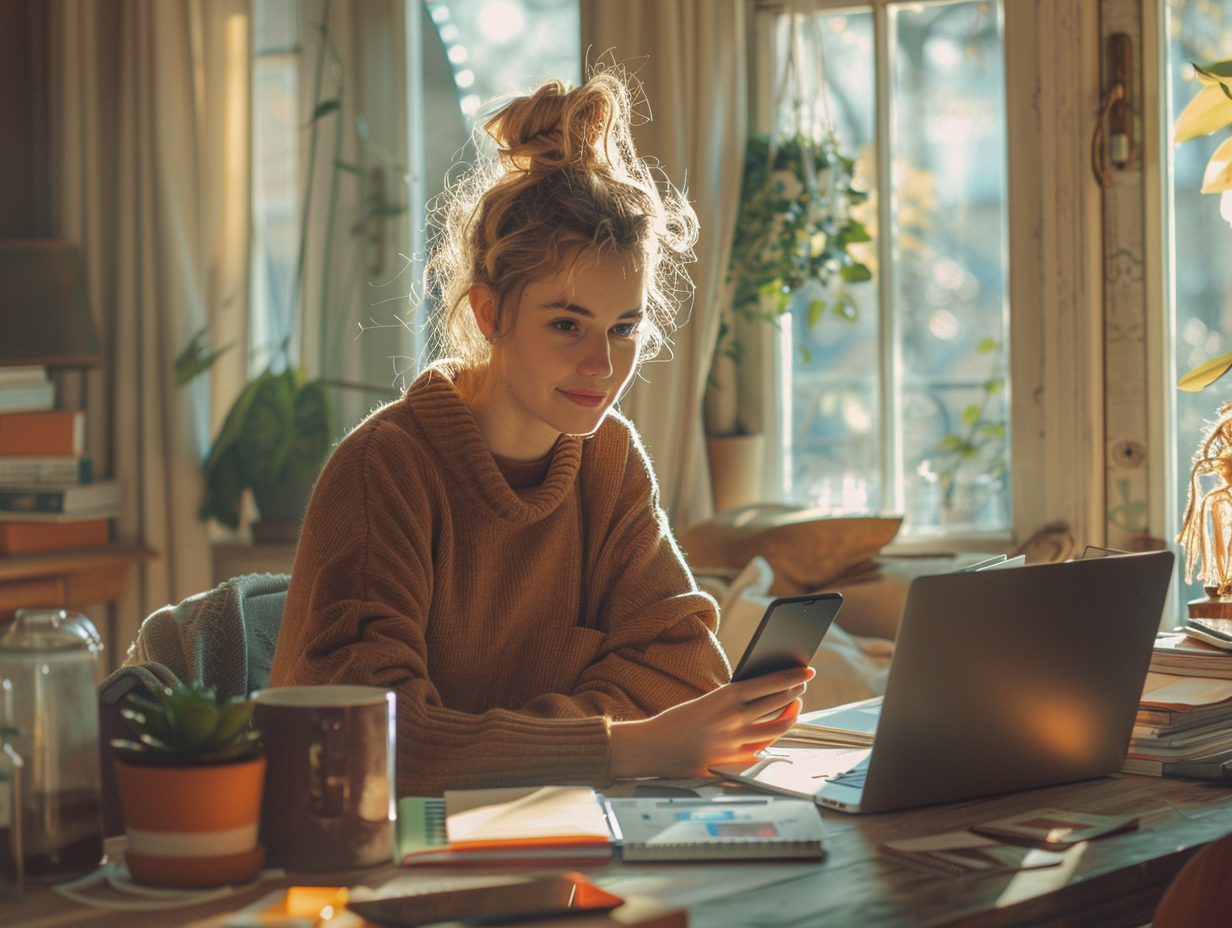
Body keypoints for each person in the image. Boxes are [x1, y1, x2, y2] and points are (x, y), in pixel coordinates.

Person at [269, 72, 812, 796]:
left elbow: (687, 679)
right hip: (385, 860)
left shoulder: (609, 460)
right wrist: (624, 743)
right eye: (567, 324)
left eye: (625, 328)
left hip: (559, 826)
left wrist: (516, 744)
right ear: (491, 315)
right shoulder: (386, 469)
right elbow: (383, 746)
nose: (603, 363)